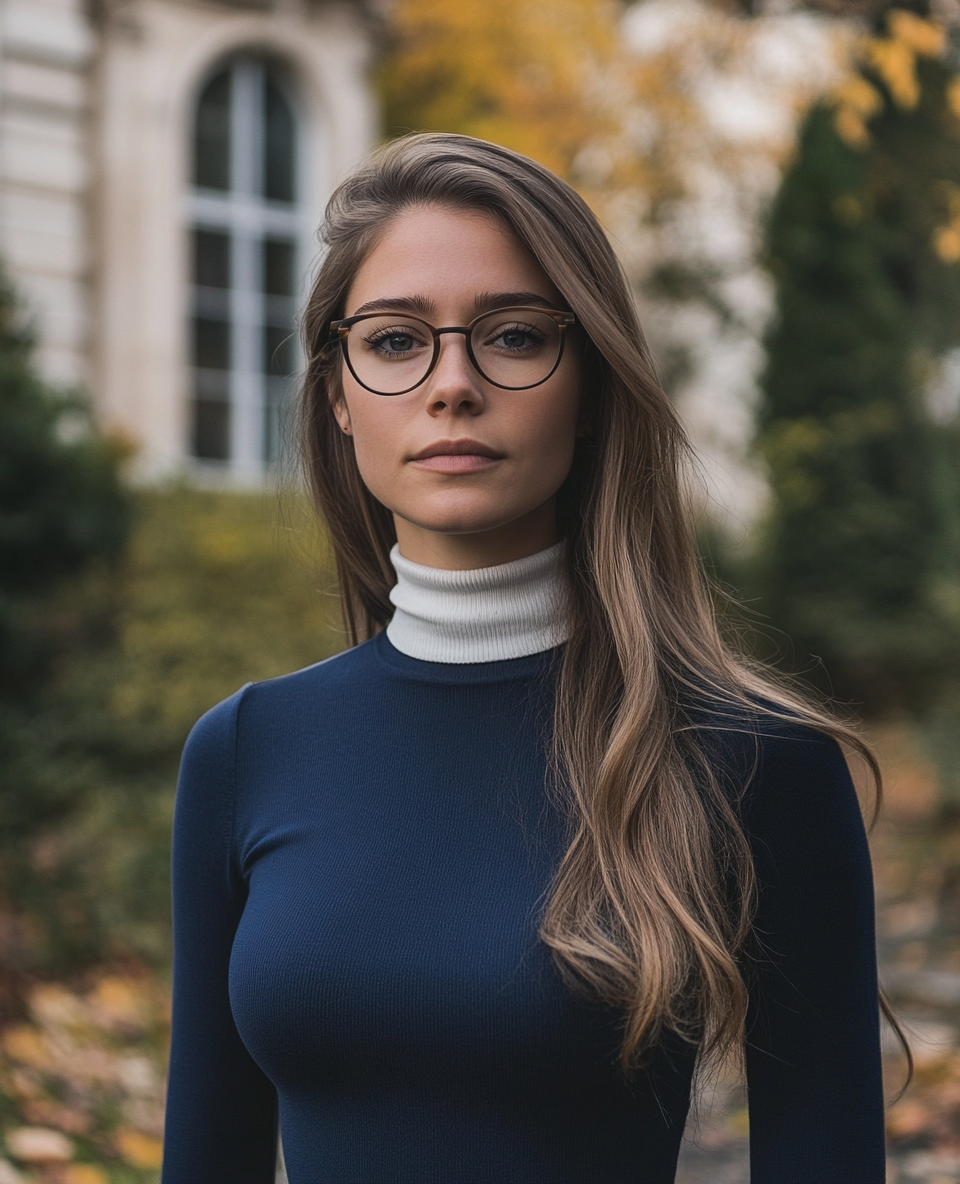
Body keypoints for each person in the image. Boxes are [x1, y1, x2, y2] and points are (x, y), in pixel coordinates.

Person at [161, 133, 890, 1184]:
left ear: (592, 383)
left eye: (511, 335)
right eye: (397, 339)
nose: (452, 384)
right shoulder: (245, 749)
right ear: (337, 392)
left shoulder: (755, 761)